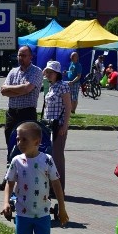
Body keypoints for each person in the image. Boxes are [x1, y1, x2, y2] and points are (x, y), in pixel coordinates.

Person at [0, 122, 69, 234]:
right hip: (23, 214)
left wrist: (62, 207)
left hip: (43, 214)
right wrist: (6, 202)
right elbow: (9, 183)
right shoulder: (16, 161)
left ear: (37, 142)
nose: (19, 143)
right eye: (18, 139)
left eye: (24, 139)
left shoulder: (46, 160)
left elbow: (56, 184)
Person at [0, 45, 42, 191]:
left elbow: (28, 89)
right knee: (11, 147)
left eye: (24, 55)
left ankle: (26, 182)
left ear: (31, 57)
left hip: (27, 113)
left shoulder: (36, 71)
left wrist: (13, 90)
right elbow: (3, 90)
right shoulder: (13, 72)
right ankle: (7, 181)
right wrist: (20, 89)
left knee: (26, 148)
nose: (21, 58)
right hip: (12, 113)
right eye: (19, 55)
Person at [42, 60, 71, 190]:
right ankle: (49, 186)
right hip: (48, 125)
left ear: (57, 73)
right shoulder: (51, 86)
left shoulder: (63, 86)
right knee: (48, 156)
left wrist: (65, 126)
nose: (48, 74)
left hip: (58, 125)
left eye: (51, 72)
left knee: (57, 157)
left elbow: (68, 107)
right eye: (47, 71)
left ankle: (59, 187)